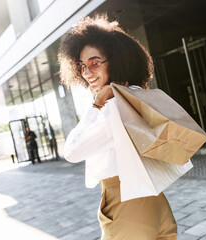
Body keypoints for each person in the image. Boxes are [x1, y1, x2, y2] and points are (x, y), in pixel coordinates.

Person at [58, 14, 177, 240]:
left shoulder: (113, 108)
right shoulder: (136, 95)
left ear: (117, 60)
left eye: (95, 63)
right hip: (154, 198)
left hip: (126, 203)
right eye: (81, 66)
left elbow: (72, 152)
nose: (87, 73)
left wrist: (96, 105)